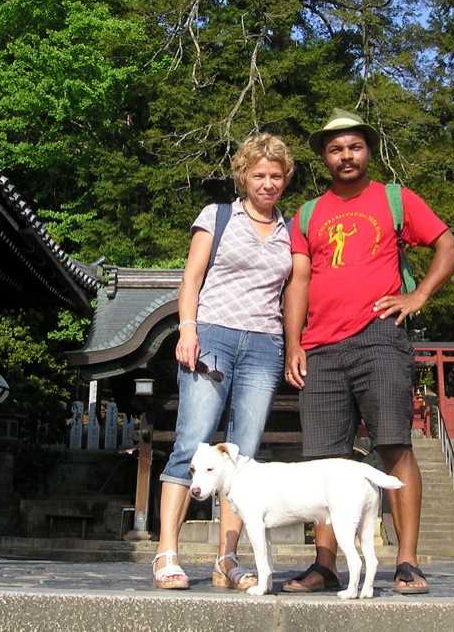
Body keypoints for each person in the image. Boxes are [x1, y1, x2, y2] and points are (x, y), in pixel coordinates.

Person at [282, 108, 454, 595]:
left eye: (354, 147)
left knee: (393, 444)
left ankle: (406, 560)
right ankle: (325, 565)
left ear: (368, 151)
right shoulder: (308, 213)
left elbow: (449, 245)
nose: (346, 156)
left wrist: (418, 295)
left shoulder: (393, 199)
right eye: (336, 148)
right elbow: (298, 281)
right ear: (324, 156)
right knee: (324, 461)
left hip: (379, 337)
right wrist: (293, 342)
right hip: (320, 347)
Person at [152, 133, 295, 591]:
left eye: (276, 176)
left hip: (263, 346)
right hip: (211, 335)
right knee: (192, 441)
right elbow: (191, 277)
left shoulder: (290, 230)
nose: (268, 183)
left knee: (242, 457)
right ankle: (166, 552)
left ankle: (227, 559)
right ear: (243, 176)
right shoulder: (217, 216)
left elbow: (293, 291)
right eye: (259, 175)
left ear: (285, 179)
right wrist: (187, 328)